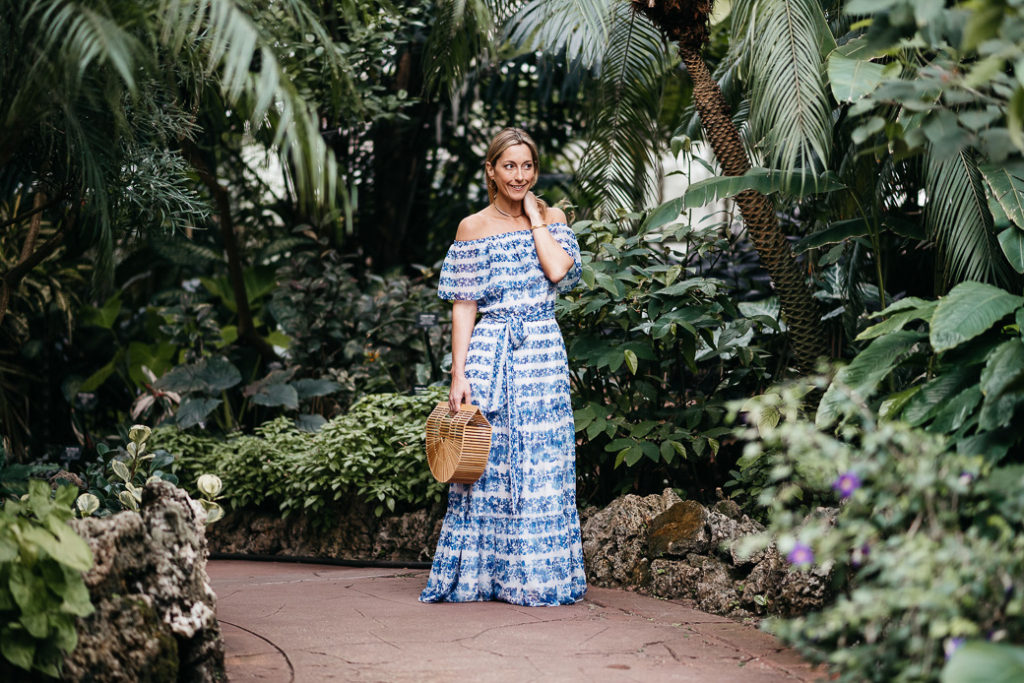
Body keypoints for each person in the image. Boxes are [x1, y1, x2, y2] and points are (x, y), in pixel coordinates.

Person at [419, 127, 587, 606]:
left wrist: (535, 220)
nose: (519, 175)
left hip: (542, 353)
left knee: (543, 460)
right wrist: (458, 373)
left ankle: (538, 578)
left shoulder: (550, 216)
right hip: (492, 351)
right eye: (509, 166)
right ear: (491, 170)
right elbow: (464, 305)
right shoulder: (472, 227)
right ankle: (485, 576)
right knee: (492, 462)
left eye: (527, 166)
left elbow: (559, 273)